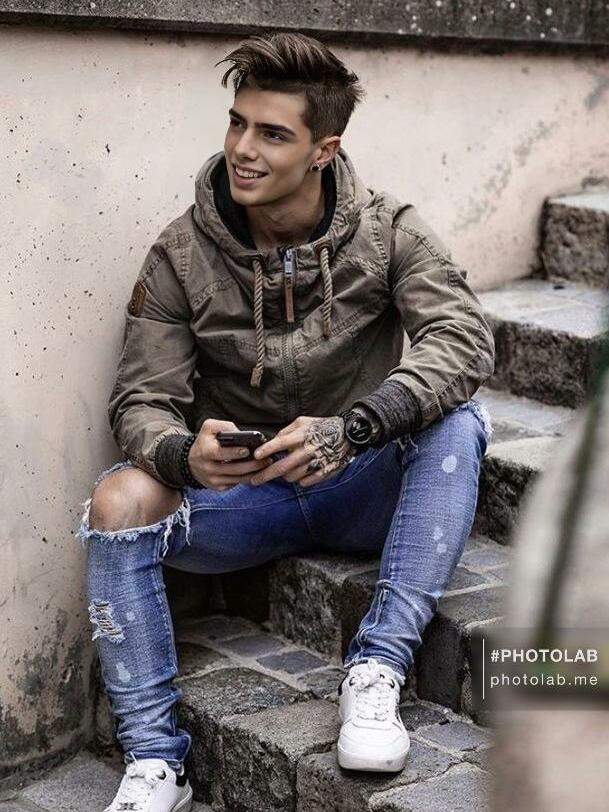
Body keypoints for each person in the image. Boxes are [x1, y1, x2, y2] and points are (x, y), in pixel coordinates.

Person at [77, 31, 495, 812]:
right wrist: (183, 455)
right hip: (244, 501)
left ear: (322, 151)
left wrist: (355, 428)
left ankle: (376, 667)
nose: (243, 149)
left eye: (272, 134)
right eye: (237, 124)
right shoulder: (180, 254)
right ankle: (156, 761)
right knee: (117, 500)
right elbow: (141, 400)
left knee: (457, 420)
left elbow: (463, 342)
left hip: (360, 484)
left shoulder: (389, 230)